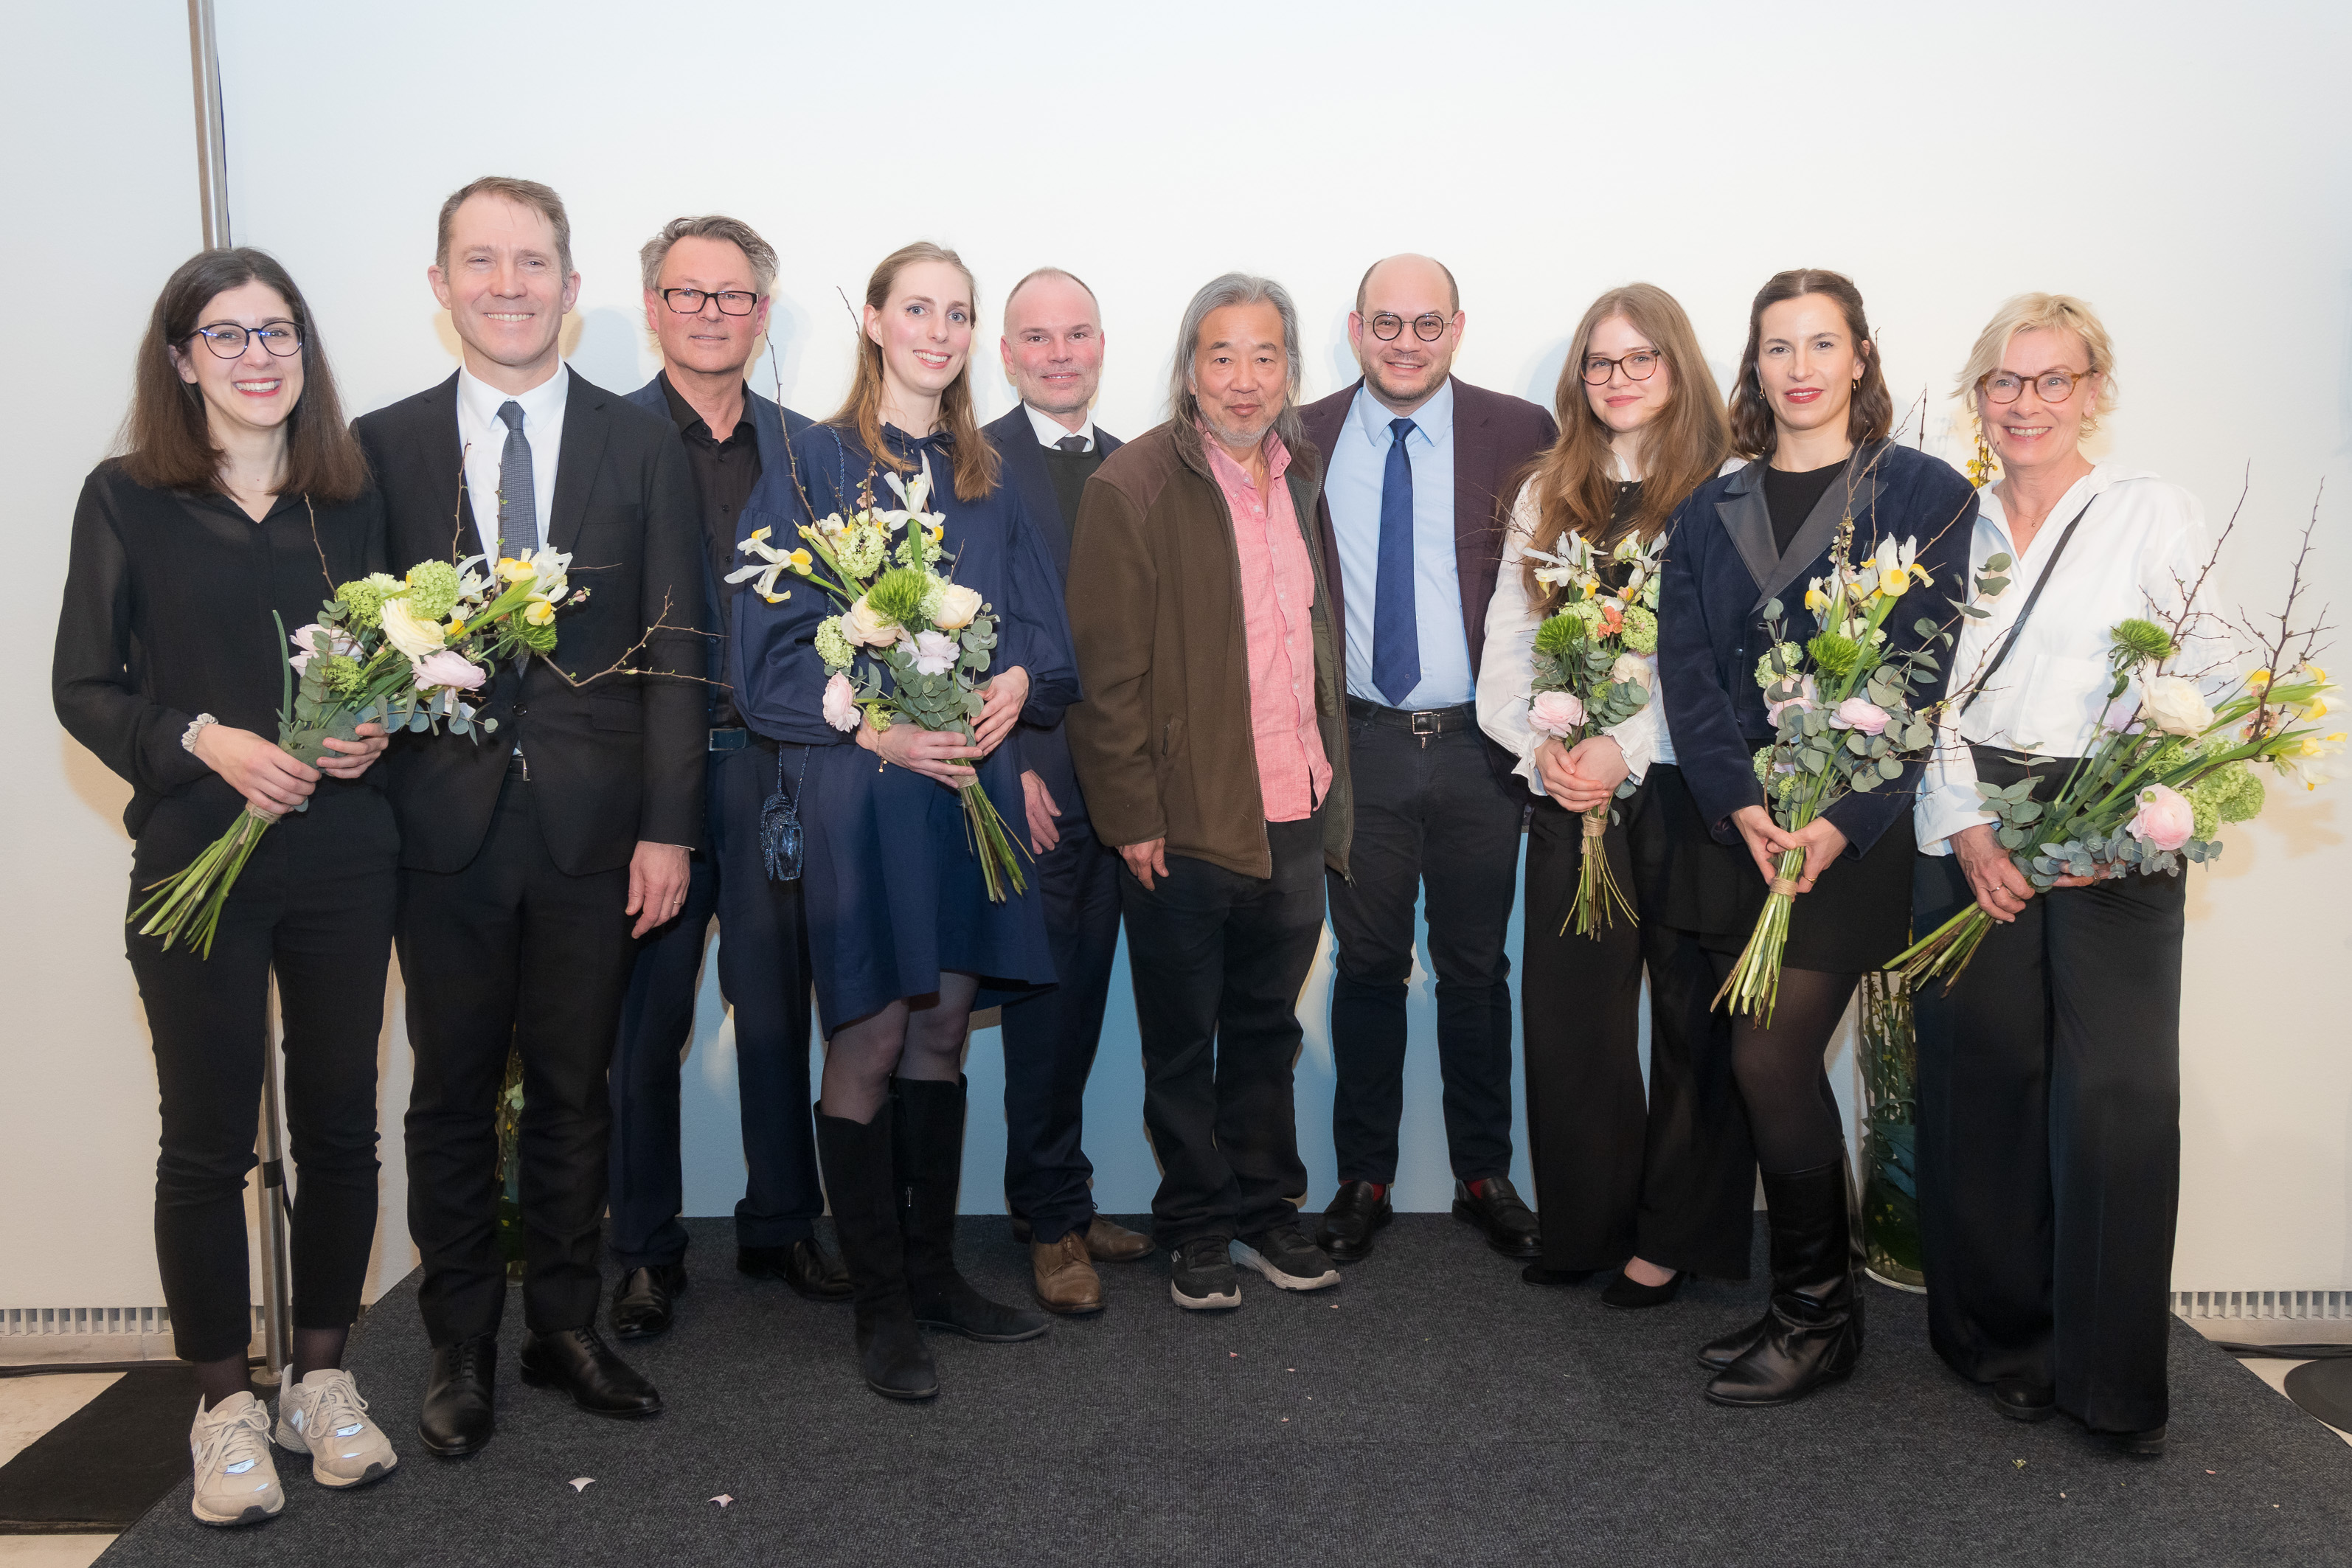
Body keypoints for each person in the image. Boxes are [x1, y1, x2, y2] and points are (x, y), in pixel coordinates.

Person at [353, 176, 704, 1454]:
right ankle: (458, 1342)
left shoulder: (640, 441)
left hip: (595, 835)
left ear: (570, 283)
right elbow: (354, 639)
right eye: (481, 261)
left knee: (574, 1088)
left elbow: (678, 647)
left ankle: (563, 1325)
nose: (509, 285)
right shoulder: (378, 446)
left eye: (533, 261)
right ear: (440, 284)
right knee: (449, 1094)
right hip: (435, 831)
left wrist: (669, 826)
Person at [54, 248, 398, 1524]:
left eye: (279, 331)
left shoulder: (352, 499)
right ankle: (222, 1406)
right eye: (228, 334)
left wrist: (378, 727)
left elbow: (400, 661)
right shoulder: (126, 497)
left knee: (340, 1125)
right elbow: (83, 688)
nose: (259, 356)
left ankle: (321, 1380)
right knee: (204, 1139)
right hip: (193, 855)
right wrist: (203, 738)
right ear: (181, 358)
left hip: (345, 856)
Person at [733, 241, 1076, 1401]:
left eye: (957, 313)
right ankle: (878, 1307)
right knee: (872, 1038)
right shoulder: (811, 462)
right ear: (874, 321)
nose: (938, 330)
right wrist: (879, 735)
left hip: (968, 788)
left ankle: (933, 1277)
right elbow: (767, 656)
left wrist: (1018, 680)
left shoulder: (991, 476)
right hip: (865, 792)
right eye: (917, 308)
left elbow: (1041, 631)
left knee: (942, 1033)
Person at [1656, 268, 1974, 1407]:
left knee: (1768, 1059)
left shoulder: (1925, 492)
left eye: (1820, 343)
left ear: (1860, 356)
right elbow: (1686, 671)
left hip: (1850, 830)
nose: (1798, 368)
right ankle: (1807, 1301)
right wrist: (1739, 801)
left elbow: (1923, 675)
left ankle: (1817, 1319)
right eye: (1777, 347)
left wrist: (1836, 820)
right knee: (1757, 1061)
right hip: (1738, 827)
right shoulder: (1709, 508)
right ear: (1754, 365)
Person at [1912, 294, 2211, 1457]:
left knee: (2116, 1097)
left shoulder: (2150, 510)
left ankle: (2113, 1380)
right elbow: (1916, 689)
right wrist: (1966, 827)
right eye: (2004, 379)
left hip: (2113, 819)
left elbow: (2203, 677)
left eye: (2052, 379)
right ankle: (2000, 1345)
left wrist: (2118, 826)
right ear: (1976, 394)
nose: (2025, 402)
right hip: (1971, 811)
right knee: (1982, 1079)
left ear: (2092, 389)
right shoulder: (1945, 521)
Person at [1065, 273, 1353, 1313]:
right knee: (1183, 1040)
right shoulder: (1132, 485)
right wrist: (1132, 816)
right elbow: (1106, 679)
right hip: (1183, 821)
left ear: (1290, 371)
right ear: (1189, 369)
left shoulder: (1300, 476)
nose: (1243, 379)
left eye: (1265, 356)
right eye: (1220, 356)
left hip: (1294, 806)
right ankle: (1193, 1221)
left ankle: (1265, 1209)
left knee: (1267, 1029)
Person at [1477, 283, 1758, 1305]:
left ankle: (1671, 1237)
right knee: (1572, 1019)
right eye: (1600, 362)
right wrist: (1543, 748)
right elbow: (1511, 642)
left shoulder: (1731, 489)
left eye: (1641, 358)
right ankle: (1585, 1224)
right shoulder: (1548, 488)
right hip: (1569, 796)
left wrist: (1623, 747)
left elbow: (1726, 660)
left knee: (1691, 1020)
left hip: (1688, 789)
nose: (1619, 378)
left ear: (1678, 367)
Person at [605, 215, 847, 1342]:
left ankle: (781, 1220)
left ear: (763, 311)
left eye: (733, 295)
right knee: (642, 1025)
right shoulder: (604, 443)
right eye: (687, 293)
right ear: (653, 306)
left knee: (776, 1009)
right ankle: (643, 1249)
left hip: (774, 773)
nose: (711, 313)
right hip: (644, 785)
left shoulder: (811, 452)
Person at [1299, 254, 1555, 1266]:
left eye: (1427, 324)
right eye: (1386, 324)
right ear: (1355, 328)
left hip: (1477, 749)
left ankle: (1484, 1175)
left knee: (1475, 969)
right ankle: (1362, 1178)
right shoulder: (1300, 435)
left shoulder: (1521, 432)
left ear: (1457, 327)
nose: (1406, 344)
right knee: (1365, 966)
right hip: (1358, 744)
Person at [982, 267, 1152, 1315]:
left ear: (1100, 345)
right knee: (1043, 1011)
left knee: (1087, 1003)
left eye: (1076, 333)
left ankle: (1060, 1195)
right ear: (1006, 354)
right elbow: (956, 631)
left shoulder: (1140, 466)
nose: (1058, 353)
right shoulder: (972, 465)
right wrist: (1008, 772)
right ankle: (1051, 1223)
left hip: (1127, 785)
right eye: (1036, 337)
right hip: (1033, 783)